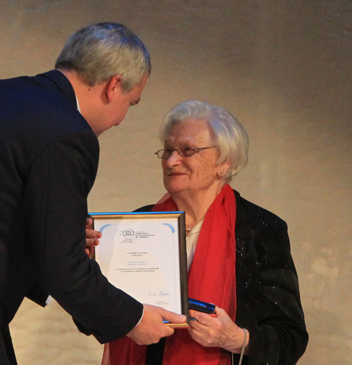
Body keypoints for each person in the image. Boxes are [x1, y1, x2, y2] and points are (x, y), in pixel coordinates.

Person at [0, 22, 186, 365]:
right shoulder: (68, 134)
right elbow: (64, 269)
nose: (120, 120)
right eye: (131, 104)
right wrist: (132, 319)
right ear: (113, 85)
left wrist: (61, 234)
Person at [87, 100, 308, 364]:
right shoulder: (134, 225)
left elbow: (291, 337)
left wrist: (236, 338)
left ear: (224, 162)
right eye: (168, 150)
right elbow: (91, 319)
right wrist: (89, 267)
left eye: (187, 150)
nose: (171, 160)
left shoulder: (260, 228)